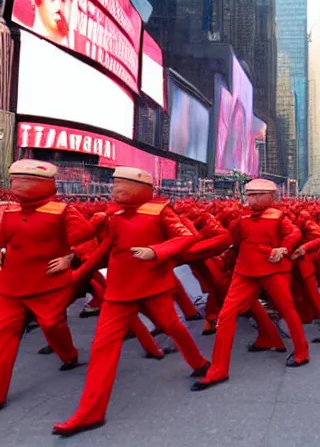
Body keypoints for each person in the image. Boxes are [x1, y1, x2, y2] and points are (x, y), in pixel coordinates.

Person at [53, 167, 210, 437]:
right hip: (119, 292)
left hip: (153, 287)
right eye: (114, 185)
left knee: (174, 327)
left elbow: (187, 237)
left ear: (138, 188)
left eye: (119, 185)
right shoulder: (115, 215)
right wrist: (78, 272)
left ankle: (199, 363)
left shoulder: (160, 211)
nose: (114, 190)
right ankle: (90, 412)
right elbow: (106, 248)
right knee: (102, 349)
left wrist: (156, 251)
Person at [191, 178, 309, 391]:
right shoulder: (242, 216)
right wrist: (196, 248)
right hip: (245, 271)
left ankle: (302, 351)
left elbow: (294, 232)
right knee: (226, 315)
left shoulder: (279, 216)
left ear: (271, 197)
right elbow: (231, 239)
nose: (250, 199)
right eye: (249, 194)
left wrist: (283, 248)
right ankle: (218, 369)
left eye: (256, 195)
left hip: (273, 270)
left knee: (288, 309)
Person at [0, 159, 96, 410]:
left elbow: (87, 240)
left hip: (48, 283)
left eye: (22, 181)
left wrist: (70, 257)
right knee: (4, 335)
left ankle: (69, 355)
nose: (15, 186)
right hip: (11, 284)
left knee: (52, 324)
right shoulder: (8, 211)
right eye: (14, 181)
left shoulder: (63, 211)